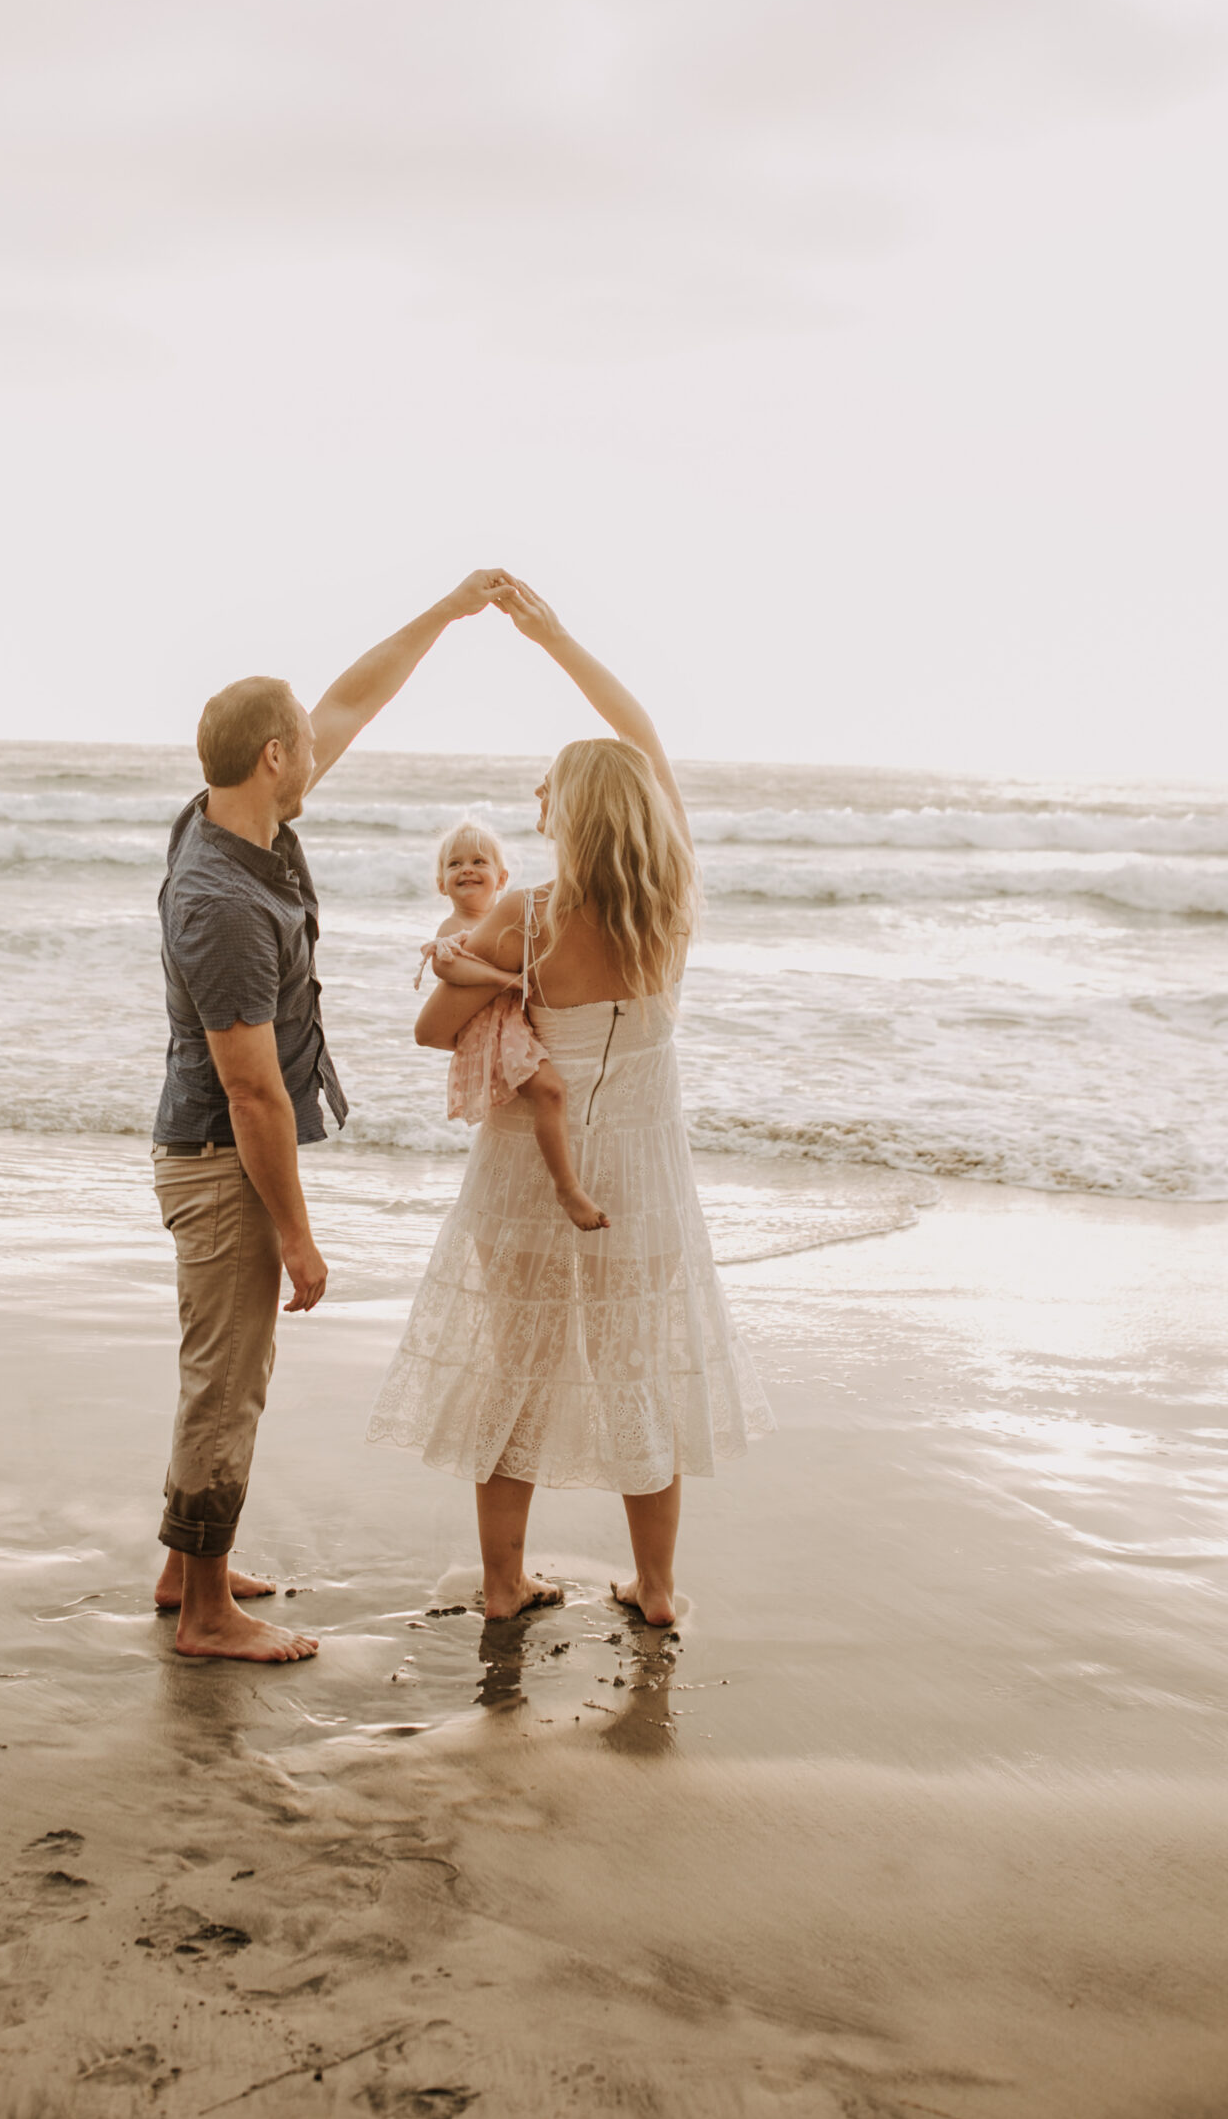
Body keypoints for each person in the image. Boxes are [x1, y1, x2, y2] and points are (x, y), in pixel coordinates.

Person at [368, 578, 775, 1627]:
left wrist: (484, 973)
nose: (537, 806)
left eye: (549, 793)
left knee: (518, 1374)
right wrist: (558, 640)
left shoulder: (525, 914)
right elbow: (645, 736)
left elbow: (435, 1030)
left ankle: (503, 1586)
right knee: (639, 1374)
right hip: (640, 1177)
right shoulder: (674, 910)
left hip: (523, 1179)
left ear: (570, 814)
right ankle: (658, 1589)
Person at [151, 569, 514, 1664]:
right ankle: (206, 1615)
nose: (322, 750)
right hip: (224, 1159)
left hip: (218, 1150)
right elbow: (254, 1091)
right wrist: (301, 1237)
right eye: (304, 744)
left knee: (218, 1365)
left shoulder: (235, 816)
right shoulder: (222, 902)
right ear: (275, 759)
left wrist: (447, 613)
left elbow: (352, 699)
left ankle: (183, 1565)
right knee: (230, 1379)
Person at [417, 820, 608, 1230]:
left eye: (478, 861)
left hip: (512, 1027)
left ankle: (563, 1181)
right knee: (551, 1090)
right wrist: (503, 979)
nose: (466, 869)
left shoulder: (507, 922)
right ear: (441, 884)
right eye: (454, 864)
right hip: (496, 1030)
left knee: (554, 1091)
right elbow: (445, 966)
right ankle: (566, 1187)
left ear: (501, 878)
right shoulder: (453, 927)